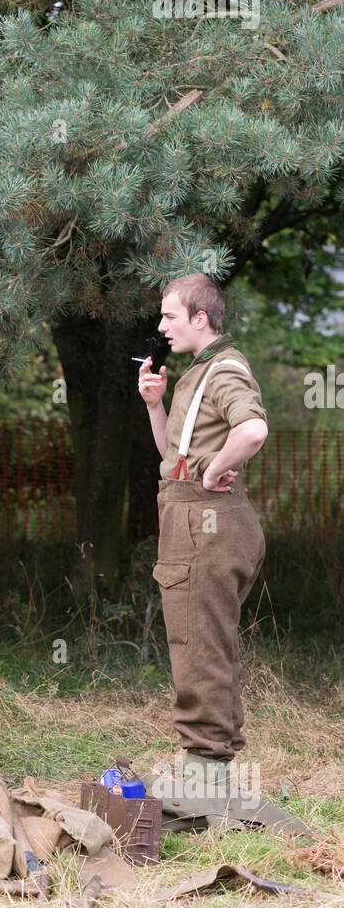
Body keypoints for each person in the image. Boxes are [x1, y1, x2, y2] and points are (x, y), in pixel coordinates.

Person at [138, 273, 268, 798]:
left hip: (206, 523)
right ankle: (213, 775)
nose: (162, 326)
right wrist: (155, 405)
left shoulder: (224, 368)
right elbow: (173, 460)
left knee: (197, 647)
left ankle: (204, 782)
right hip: (199, 518)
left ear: (200, 318)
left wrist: (215, 470)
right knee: (208, 644)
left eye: (170, 316)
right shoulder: (200, 370)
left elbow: (253, 429)